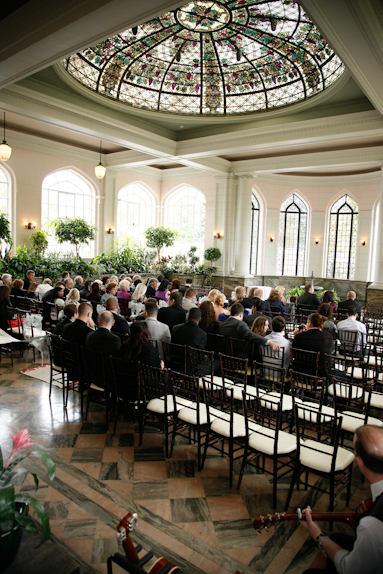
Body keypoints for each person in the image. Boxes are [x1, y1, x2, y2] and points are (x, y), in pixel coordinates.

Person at [299, 424, 383, 574]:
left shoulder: (370, 526)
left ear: (360, 463)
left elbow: (348, 569)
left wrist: (317, 534)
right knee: (338, 538)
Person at [292, 312, 334, 376]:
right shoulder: (328, 337)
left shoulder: (299, 337)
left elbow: (293, 354)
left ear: (310, 323)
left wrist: (298, 336)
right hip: (321, 376)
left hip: (301, 375)